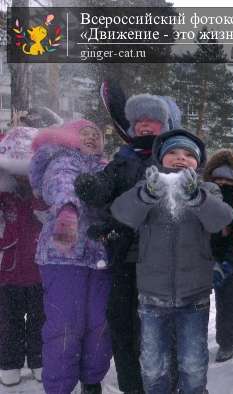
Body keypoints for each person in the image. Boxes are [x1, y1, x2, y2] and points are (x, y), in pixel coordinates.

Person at [111, 129, 233, 394]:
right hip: (152, 296)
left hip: (195, 296)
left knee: (193, 363)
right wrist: (147, 195)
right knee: (153, 366)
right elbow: (122, 213)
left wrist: (196, 197)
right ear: (160, 158)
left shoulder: (207, 188)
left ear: (198, 162)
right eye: (174, 153)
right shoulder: (146, 187)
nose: (181, 158)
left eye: (189, 155)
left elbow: (221, 219)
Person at [74, 93, 179, 394]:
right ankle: (132, 386)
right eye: (140, 123)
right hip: (122, 257)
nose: (146, 127)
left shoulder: (172, 156)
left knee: (160, 327)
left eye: (152, 122)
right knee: (123, 325)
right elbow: (103, 190)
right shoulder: (122, 159)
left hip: (161, 261)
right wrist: (91, 187)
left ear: (164, 125)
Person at [29, 120, 112, 394]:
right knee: (65, 325)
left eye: (96, 135)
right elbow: (61, 183)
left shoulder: (105, 167)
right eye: (84, 133)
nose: (91, 138)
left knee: (99, 323)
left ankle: (92, 380)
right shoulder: (62, 160)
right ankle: (60, 387)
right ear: (68, 138)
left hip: (99, 256)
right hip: (62, 257)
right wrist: (68, 210)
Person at [0, 129, 45, 387]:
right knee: (8, 320)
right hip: (8, 271)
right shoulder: (4, 192)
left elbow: (51, 216)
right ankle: (9, 362)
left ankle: (39, 359)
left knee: (41, 317)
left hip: (40, 269)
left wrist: (37, 197)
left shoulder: (42, 188)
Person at [202, 149, 233, 362]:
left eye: (227, 180)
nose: (222, 184)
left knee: (228, 300)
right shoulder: (201, 196)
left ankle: (227, 340)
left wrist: (230, 261)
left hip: (228, 256)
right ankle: (196, 339)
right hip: (201, 257)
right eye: (218, 179)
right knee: (197, 301)